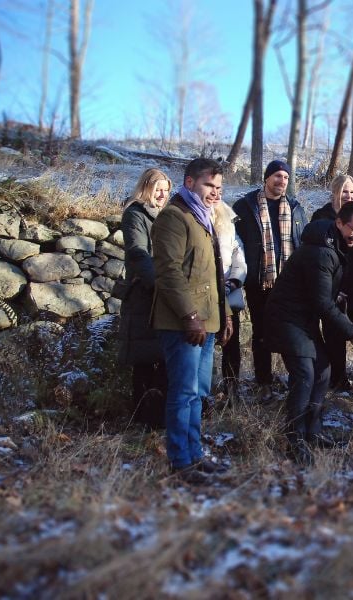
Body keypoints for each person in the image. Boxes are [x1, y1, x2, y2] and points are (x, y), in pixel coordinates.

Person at [264, 201, 353, 465]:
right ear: (339, 223)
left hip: (303, 317)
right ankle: (295, 439)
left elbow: (320, 291)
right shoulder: (323, 252)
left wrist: (337, 293)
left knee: (323, 371)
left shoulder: (333, 246)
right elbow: (322, 303)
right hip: (287, 317)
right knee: (305, 374)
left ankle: (314, 432)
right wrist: (352, 332)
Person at [151, 158, 233, 483]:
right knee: (183, 392)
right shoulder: (174, 217)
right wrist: (190, 316)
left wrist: (223, 315)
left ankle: (196, 455)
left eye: (219, 188)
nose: (215, 192)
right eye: (209, 185)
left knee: (198, 392)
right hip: (183, 323)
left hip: (207, 322)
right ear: (189, 183)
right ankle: (180, 462)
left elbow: (215, 274)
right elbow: (168, 272)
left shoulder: (205, 219)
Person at [233, 160, 308, 387]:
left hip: (289, 285)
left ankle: (294, 379)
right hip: (259, 282)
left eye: (286, 177)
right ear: (266, 178)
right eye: (277, 176)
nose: (282, 181)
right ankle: (263, 381)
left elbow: (301, 244)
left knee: (291, 332)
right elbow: (235, 244)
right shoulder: (245, 207)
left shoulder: (296, 209)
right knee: (261, 333)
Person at [119, 168, 171, 430]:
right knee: (143, 359)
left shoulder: (167, 217)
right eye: (157, 189)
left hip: (164, 294)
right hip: (144, 295)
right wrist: (162, 286)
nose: (162, 194)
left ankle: (158, 418)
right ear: (146, 188)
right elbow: (139, 254)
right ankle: (140, 420)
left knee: (163, 357)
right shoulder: (135, 214)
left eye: (166, 190)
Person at [310, 174, 353, 390]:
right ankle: (336, 378)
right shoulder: (322, 216)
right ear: (334, 193)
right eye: (344, 191)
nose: (348, 195)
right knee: (333, 335)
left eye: (352, 192)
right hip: (329, 285)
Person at [211, 196, 247, 397]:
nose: (216, 193)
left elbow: (237, 251)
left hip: (228, 291)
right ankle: (202, 394)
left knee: (231, 343)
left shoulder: (226, 216)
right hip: (204, 292)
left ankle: (232, 389)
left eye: (219, 188)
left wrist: (235, 280)